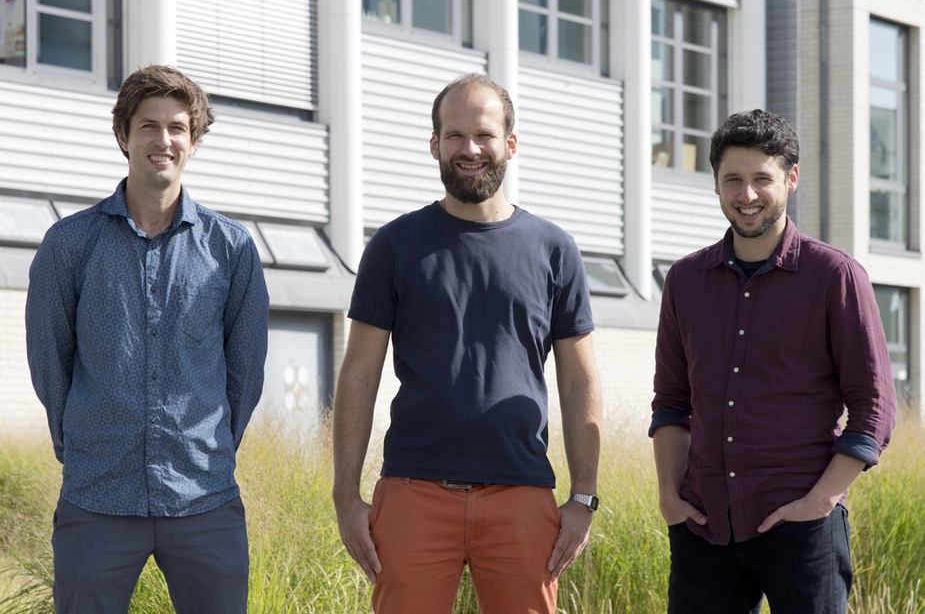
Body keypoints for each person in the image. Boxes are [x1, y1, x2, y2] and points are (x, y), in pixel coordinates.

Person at [332, 73, 603, 614]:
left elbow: (580, 381)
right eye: (454, 136)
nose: (470, 149)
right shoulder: (395, 245)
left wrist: (582, 498)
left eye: (483, 135)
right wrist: (345, 498)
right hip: (412, 492)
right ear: (434, 144)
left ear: (510, 143)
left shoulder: (554, 249)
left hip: (522, 495)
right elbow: (358, 375)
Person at [25, 65, 269, 614]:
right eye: (148, 126)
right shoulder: (69, 244)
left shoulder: (232, 249)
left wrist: (211, 446)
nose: (163, 140)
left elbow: (245, 370)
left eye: (178, 128)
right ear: (123, 136)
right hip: (97, 497)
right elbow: (48, 359)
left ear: (194, 139)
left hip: (205, 498)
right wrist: (83, 442)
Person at [650, 109, 897, 614]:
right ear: (715, 184)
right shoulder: (684, 280)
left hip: (803, 529)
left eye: (762, 179)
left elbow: (874, 407)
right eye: (732, 180)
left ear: (791, 178)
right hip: (703, 527)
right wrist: (669, 500)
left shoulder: (836, 276)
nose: (747, 195)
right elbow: (672, 404)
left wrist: (821, 502)